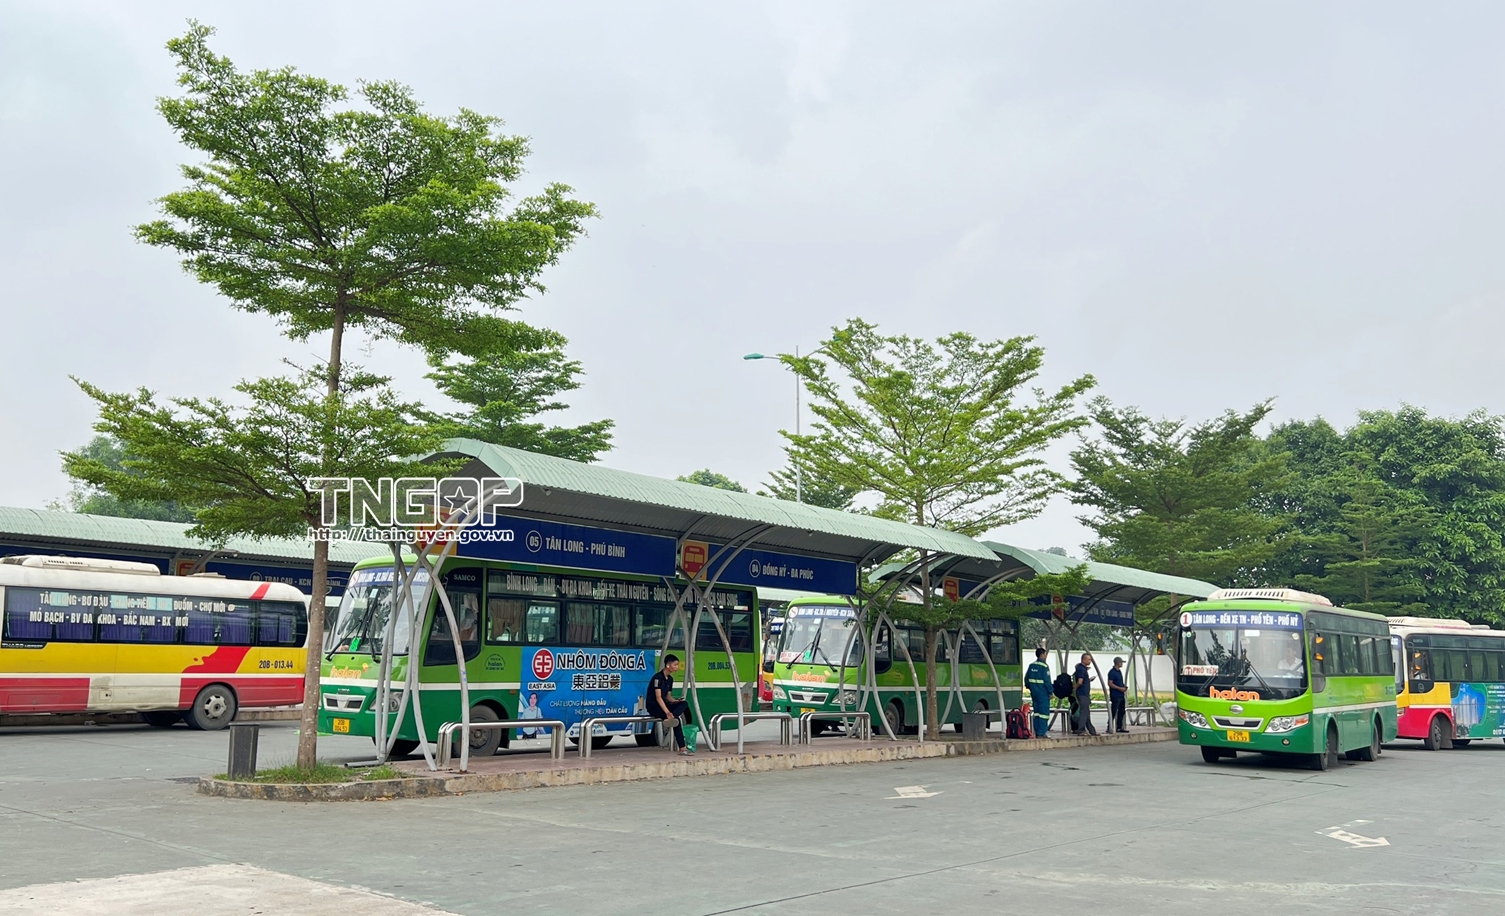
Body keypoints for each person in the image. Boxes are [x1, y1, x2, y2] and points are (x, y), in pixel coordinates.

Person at [647, 654, 693, 755]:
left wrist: (675, 701)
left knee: (684, 704)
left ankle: (672, 717)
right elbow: (658, 697)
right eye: (675, 665)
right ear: (668, 665)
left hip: (665, 705)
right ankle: (683, 748)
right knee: (676, 720)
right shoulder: (657, 678)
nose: (677, 667)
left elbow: (668, 696)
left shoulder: (670, 679)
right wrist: (667, 712)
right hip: (654, 706)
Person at [1024, 647, 1054, 738]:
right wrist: (1050, 692)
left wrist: (1031, 688)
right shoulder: (1044, 666)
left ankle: (1037, 731)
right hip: (1043, 693)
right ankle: (1041, 733)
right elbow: (1047, 681)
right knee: (1044, 713)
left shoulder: (1031, 665)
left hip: (1034, 693)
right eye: (1045, 654)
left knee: (1036, 712)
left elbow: (1026, 679)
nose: (1046, 656)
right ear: (1041, 655)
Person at [1073, 652, 1098, 736]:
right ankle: (1081, 730)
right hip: (1082, 693)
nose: (1090, 661)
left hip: (1084, 693)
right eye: (1089, 659)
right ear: (1084, 659)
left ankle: (1092, 730)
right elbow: (1080, 681)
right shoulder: (1081, 669)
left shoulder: (1082, 669)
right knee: (1084, 712)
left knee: (1086, 712)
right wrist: (1076, 687)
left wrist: (1088, 680)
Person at [1108, 657, 1128, 733]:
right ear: (1118, 663)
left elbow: (1119, 682)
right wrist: (1119, 688)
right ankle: (1109, 726)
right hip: (1115, 695)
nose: (1122, 664)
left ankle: (1119, 726)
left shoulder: (1119, 672)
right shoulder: (1112, 672)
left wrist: (1123, 686)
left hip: (1121, 694)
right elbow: (1110, 683)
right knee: (1113, 711)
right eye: (1121, 662)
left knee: (1121, 711)